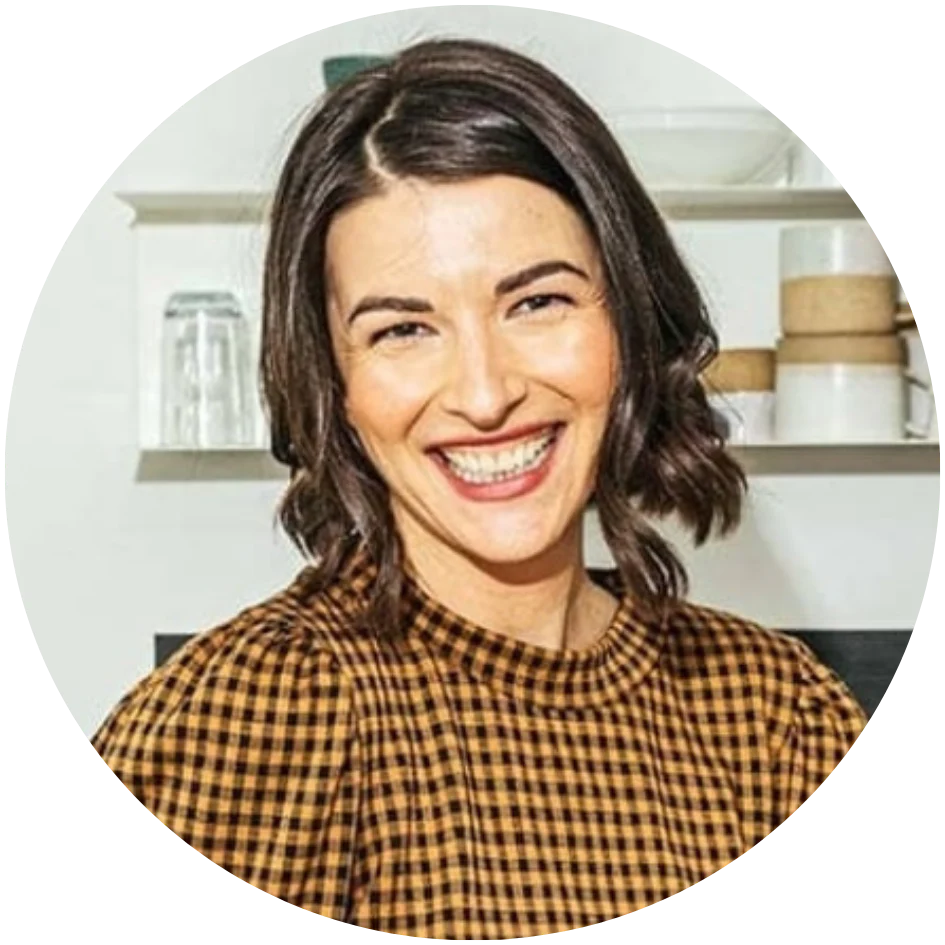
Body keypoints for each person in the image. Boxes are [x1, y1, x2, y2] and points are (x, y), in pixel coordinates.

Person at [89, 37, 869, 940]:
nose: (485, 392)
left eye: (537, 302)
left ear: (629, 320)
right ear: (334, 387)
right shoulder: (250, 719)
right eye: (402, 329)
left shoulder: (775, 713)